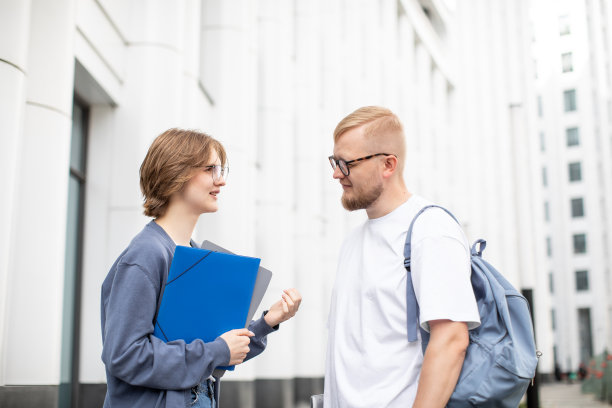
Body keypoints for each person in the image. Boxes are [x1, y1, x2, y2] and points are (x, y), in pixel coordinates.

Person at [101, 128, 302, 408]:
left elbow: (214, 351)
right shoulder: (146, 254)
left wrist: (267, 323)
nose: (220, 181)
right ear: (175, 172)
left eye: (222, 170)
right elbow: (125, 355)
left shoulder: (194, 255)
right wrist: (216, 351)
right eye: (210, 169)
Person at [324, 106, 480, 407]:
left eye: (346, 164)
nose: (335, 173)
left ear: (388, 165)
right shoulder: (352, 242)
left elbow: (451, 341)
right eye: (334, 162)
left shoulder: (431, 230)